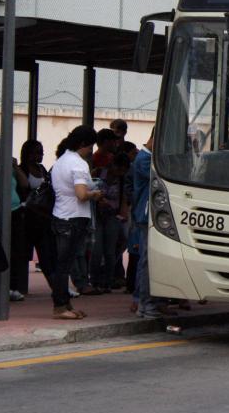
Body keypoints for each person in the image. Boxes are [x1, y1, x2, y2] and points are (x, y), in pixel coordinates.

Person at [50, 125, 103, 319]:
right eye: (90, 146)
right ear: (83, 144)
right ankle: (60, 306)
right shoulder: (79, 164)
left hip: (60, 215)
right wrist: (94, 194)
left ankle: (65, 304)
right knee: (65, 265)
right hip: (74, 218)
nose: (91, 150)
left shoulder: (61, 161)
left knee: (62, 264)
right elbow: (81, 194)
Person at [0, 137, 30, 300]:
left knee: (16, 250)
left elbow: (24, 184)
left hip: (15, 211)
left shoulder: (8, 168)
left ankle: (11, 285)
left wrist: (15, 166)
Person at [132, 127, 172, 318]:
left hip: (153, 215)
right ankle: (145, 302)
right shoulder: (145, 160)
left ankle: (154, 301)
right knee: (147, 261)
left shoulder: (149, 158)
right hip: (146, 215)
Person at [19, 139, 56, 291]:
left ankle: (56, 286)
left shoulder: (42, 169)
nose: (40, 155)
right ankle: (18, 286)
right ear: (28, 154)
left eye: (42, 152)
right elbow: (23, 189)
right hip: (28, 216)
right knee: (23, 252)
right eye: (37, 152)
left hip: (44, 215)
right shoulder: (22, 169)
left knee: (47, 253)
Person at [90, 153, 129, 293]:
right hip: (97, 215)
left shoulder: (122, 180)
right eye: (119, 169)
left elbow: (123, 199)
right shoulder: (98, 173)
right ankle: (94, 280)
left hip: (112, 216)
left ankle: (107, 281)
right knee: (96, 250)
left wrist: (122, 215)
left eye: (123, 170)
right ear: (113, 165)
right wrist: (99, 200)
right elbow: (89, 190)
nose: (120, 173)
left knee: (110, 251)